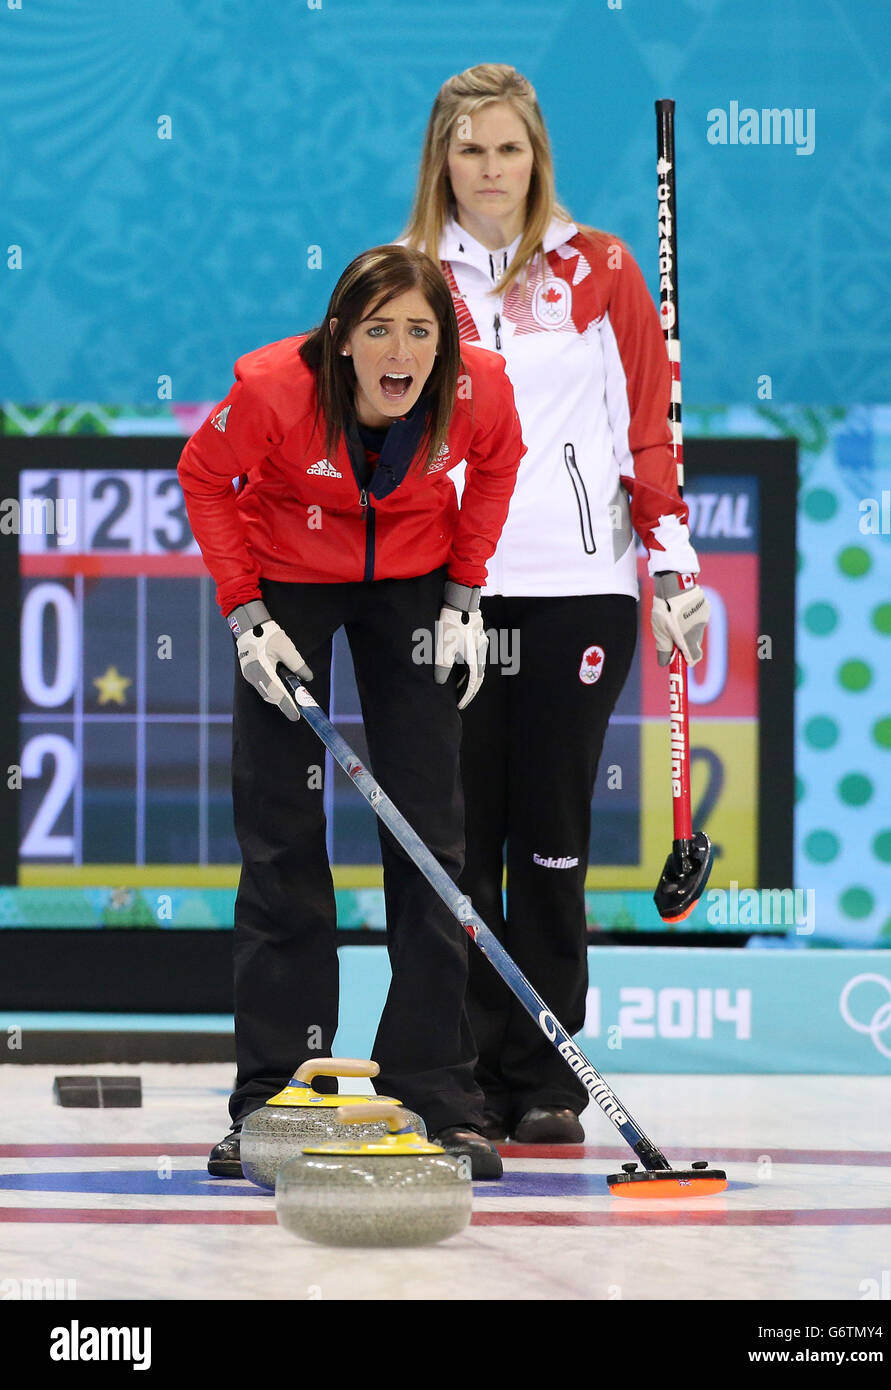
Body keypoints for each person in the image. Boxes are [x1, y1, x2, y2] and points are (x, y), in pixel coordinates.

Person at [400, 65, 710, 1143]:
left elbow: (648, 427)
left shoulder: (602, 266)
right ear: (443, 160)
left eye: (510, 149)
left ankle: (544, 1075)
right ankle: (460, 1075)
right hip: (455, 595)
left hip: (577, 589)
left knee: (551, 839)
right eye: (471, 150)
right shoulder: (409, 280)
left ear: (539, 158)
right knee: (460, 837)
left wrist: (673, 567)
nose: (491, 171)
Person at [177, 245, 526, 1180]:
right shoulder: (270, 391)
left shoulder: (479, 391)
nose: (399, 351)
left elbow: (497, 467)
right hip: (288, 579)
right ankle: (275, 1096)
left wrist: (464, 592)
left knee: (428, 836)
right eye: (378, 330)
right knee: (283, 834)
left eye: (419, 330)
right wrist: (244, 614)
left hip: (412, 581)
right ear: (340, 340)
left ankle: (435, 1092)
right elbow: (202, 475)